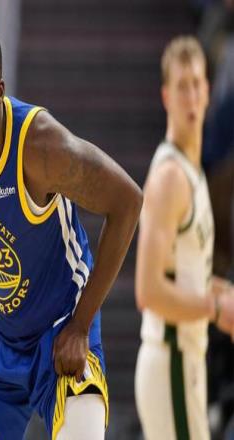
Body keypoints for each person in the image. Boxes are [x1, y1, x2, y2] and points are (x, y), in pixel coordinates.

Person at [0, 24, 142, 440]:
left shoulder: (40, 145)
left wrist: (81, 325)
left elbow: (128, 201)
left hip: (61, 327)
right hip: (0, 339)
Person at [134, 36, 234, 440]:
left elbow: (185, 275)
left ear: (208, 91)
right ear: (166, 97)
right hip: (170, 359)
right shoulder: (170, 178)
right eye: (181, 86)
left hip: (186, 361)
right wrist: (215, 306)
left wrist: (223, 291)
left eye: (196, 84)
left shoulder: (193, 172)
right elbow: (148, 290)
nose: (191, 96)